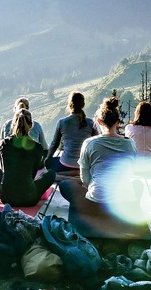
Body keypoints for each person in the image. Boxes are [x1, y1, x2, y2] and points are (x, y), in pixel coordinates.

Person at [58, 96, 146, 238]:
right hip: (123, 207)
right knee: (137, 185)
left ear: (99, 121)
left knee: (65, 185)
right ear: (118, 122)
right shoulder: (130, 144)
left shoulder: (90, 143)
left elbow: (85, 178)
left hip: (96, 206)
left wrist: (90, 186)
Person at [0, 109, 56, 207]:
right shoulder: (37, 147)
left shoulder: (3, 144)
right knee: (51, 173)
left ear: (13, 124)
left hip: (6, 197)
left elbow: (4, 169)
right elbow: (32, 176)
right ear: (31, 125)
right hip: (29, 198)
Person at [48, 91, 97, 175]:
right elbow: (96, 142)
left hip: (65, 164)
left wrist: (47, 159)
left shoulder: (62, 122)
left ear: (70, 104)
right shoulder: (91, 122)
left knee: (50, 164)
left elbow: (54, 144)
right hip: (84, 165)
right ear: (83, 104)